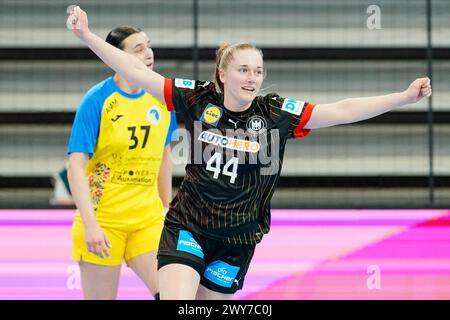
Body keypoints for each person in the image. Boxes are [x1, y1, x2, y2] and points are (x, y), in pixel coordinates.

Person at [66, 6, 432, 300]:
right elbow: (132, 69)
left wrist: (403, 97)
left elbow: (343, 109)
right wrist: (86, 36)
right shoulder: (196, 97)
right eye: (243, 69)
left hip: (238, 238)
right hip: (188, 226)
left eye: (257, 71)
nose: (251, 77)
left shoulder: (276, 113)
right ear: (222, 74)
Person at [66, 24, 177, 300]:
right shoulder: (97, 100)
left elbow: (164, 157)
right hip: (104, 221)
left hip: (146, 221)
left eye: (149, 45)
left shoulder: (163, 99)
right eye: (138, 49)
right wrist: (90, 224)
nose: (148, 53)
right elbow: (76, 166)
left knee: (174, 294)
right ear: (117, 56)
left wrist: (167, 208)